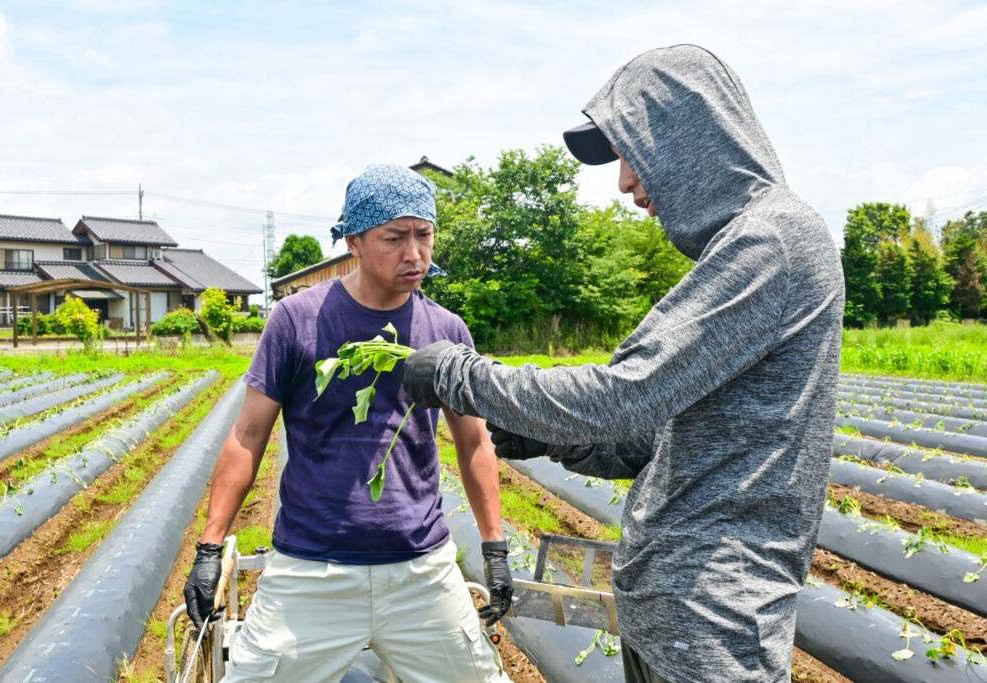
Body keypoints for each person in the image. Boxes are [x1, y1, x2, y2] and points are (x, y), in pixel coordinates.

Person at [401, 45, 845, 683]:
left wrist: (459, 374)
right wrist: (554, 440)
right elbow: (664, 438)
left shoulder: (772, 240)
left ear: (685, 140)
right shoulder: (754, 245)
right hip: (676, 616)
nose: (625, 183)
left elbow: (622, 395)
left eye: (632, 156)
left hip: (711, 626)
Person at [183, 164, 512, 683]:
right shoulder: (296, 319)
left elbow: (473, 444)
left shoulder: (446, 330)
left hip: (420, 570)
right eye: (395, 238)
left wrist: (494, 548)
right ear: (354, 242)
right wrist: (209, 548)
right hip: (313, 568)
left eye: (424, 235)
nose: (415, 254)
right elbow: (248, 437)